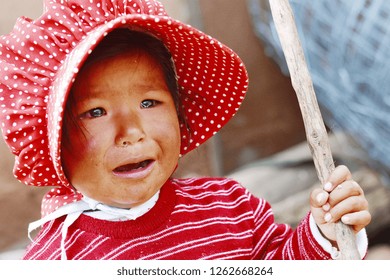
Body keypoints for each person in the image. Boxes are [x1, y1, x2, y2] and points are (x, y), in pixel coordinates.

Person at [0, 0, 370, 260]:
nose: (131, 131)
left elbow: (282, 264)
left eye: (149, 103)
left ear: (180, 117)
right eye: (96, 111)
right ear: (54, 144)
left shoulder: (229, 208)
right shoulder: (58, 261)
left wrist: (325, 234)